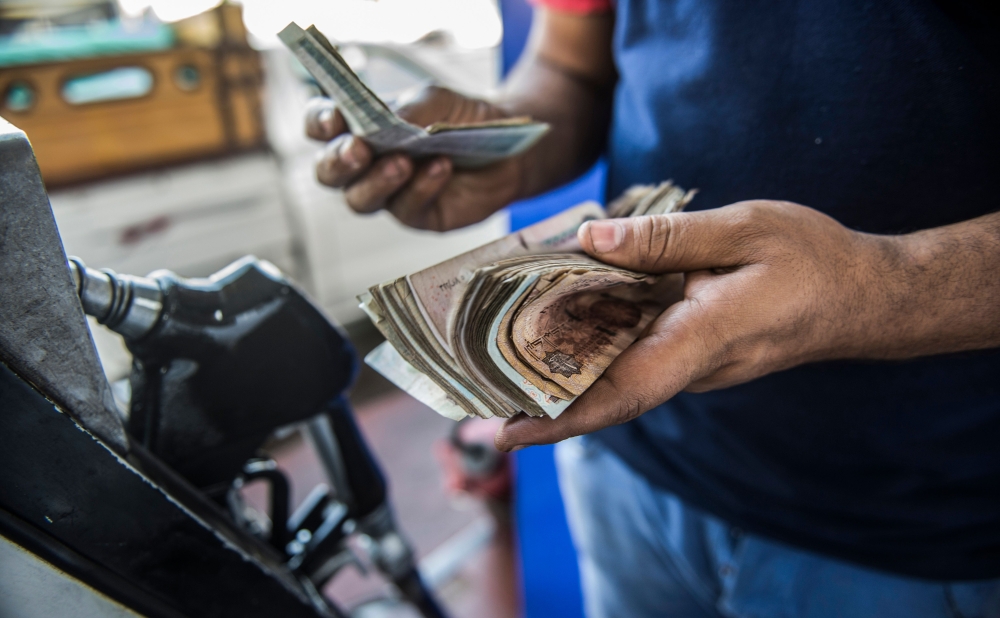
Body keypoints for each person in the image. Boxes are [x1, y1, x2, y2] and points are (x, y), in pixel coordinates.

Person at [304, 1, 1000, 616]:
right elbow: (572, 66)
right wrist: (504, 148)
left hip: (914, 530)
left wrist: (875, 285)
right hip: (633, 469)